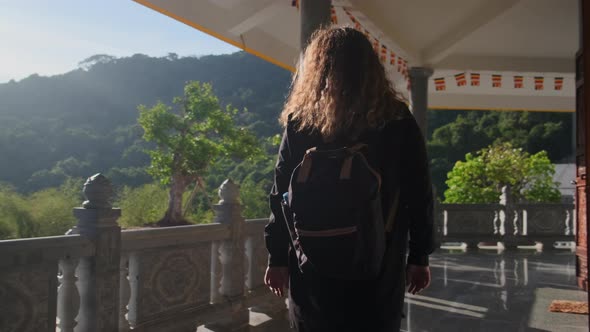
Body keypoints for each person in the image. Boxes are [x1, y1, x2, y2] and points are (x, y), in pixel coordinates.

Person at [264, 27, 435, 332]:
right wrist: (419, 255)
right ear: (371, 68)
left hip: (310, 261)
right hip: (377, 261)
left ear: (318, 68)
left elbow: (280, 194)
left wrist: (277, 258)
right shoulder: (395, 118)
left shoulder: (301, 122)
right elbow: (418, 191)